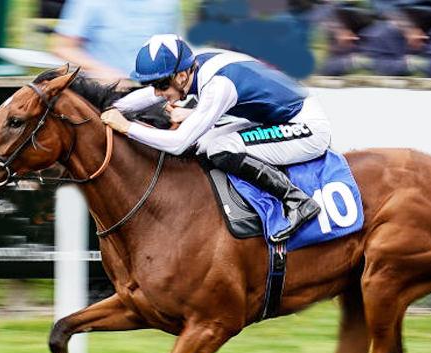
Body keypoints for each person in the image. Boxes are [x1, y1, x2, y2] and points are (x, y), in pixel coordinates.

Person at [100, 35, 330, 243]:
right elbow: (150, 96)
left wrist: (127, 127)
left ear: (181, 76)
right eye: (152, 84)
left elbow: (178, 143)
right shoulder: (192, 66)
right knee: (205, 144)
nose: (157, 93)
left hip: (305, 126)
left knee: (219, 147)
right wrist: (106, 107)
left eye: (161, 85)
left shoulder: (219, 84)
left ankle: (296, 201)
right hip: (272, 119)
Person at [50, 0, 182, 86]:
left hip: (153, 93)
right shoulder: (89, 3)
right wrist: (103, 72)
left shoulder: (167, 4)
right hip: (102, 94)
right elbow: (63, 47)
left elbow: (174, 48)